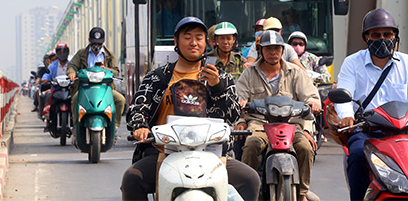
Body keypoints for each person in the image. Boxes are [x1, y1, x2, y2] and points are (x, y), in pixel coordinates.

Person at [121, 17, 260, 201]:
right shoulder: (158, 77)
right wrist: (140, 126)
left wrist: (216, 87)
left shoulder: (221, 78)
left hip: (211, 154)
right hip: (165, 153)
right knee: (131, 180)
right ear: (176, 41)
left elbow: (233, 115)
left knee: (250, 179)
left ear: (206, 43)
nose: (193, 42)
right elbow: (138, 108)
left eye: (199, 37)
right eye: (187, 37)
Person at [334, 8, 408, 201]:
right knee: (357, 156)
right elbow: (344, 98)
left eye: (388, 34)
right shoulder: (352, 63)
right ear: (367, 38)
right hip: (368, 131)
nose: (382, 38)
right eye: (375, 34)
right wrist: (346, 115)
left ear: (395, 36)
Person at [235, 30, 321, 201]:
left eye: (277, 48)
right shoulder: (249, 73)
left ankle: (302, 193)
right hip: (259, 124)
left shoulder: (295, 72)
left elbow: (311, 96)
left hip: (291, 125)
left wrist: (313, 105)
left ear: (282, 50)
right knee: (251, 145)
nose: (273, 52)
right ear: (260, 51)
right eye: (268, 49)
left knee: (305, 148)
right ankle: (248, 193)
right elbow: (239, 100)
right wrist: (241, 119)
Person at [67, 27, 126, 131]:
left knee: (120, 100)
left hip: (105, 89)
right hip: (85, 88)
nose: (96, 46)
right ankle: (76, 127)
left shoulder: (109, 54)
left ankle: (114, 126)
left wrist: (105, 69)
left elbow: (116, 70)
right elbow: (72, 65)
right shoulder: (81, 53)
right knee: (75, 99)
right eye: (94, 43)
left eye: (99, 43)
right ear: (89, 41)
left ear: (103, 42)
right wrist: (71, 73)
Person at [41, 43, 71, 132]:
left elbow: (76, 72)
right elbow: (47, 74)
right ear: (57, 53)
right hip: (56, 88)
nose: (62, 54)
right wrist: (45, 79)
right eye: (60, 51)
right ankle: (48, 122)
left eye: (64, 51)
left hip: (69, 89)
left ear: (68, 53)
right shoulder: (53, 65)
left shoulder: (71, 65)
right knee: (48, 96)